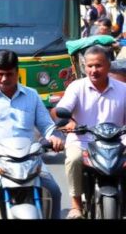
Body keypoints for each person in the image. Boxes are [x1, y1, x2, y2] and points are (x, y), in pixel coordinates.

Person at [0, 50, 64, 218]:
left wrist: (53, 136)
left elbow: (46, 125)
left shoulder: (32, 95)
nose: (4, 79)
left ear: (17, 72)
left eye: (9, 74)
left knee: (53, 191)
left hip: (30, 161)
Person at [54, 44, 126, 219]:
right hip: (83, 140)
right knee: (73, 158)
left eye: (98, 65)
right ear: (84, 67)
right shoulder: (76, 87)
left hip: (117, 141)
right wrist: (69, 122)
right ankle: (76, 205)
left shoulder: (123, 89)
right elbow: (61, 109)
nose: (94, 70)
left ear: (108, 65)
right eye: (90, 66)